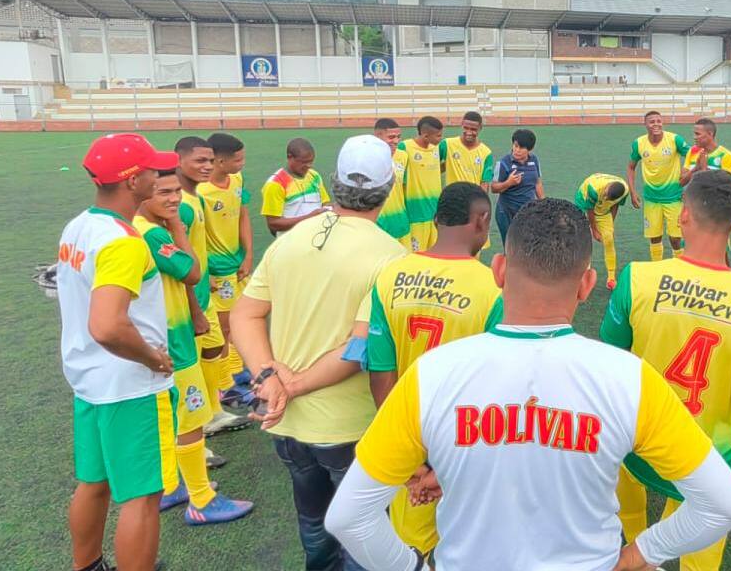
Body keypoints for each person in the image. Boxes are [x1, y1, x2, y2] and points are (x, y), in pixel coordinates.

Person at [325, 198, 731, 571]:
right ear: (586, 285)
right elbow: (723, 505)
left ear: (499, 270)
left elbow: (348, 517)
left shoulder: (430, 374)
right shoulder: (630, 379)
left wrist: (412, 567)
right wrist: (641, 554)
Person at [231, 134, 407, 571]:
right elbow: (360, 346)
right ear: (388, 190)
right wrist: (290, 386)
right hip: (348, 426)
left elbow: (245, 314)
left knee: (313, 526)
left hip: (287, 423)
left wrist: (269, 379)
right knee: (362, 534)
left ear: (333, 182)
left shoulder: (292, 239)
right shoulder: (391, 256)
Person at [601, 170, 731, 571]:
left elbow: (609, 363)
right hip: (709, 451)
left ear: (683, 216)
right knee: (701, 548)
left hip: (637, 442)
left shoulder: (637, 278)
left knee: (627, 523)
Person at [357, 181, 501, 556]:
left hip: (410, 444)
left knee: (411, 549)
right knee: (472, 548)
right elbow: (495, 386)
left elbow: (381, 374)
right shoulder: (493, 288)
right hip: (466, 448)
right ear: (482, 221)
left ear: (436, 220)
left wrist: (407, 453)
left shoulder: (391, 276)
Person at [57, 133, 179, 571]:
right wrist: (152, 358)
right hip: (131, 386)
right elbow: (108, 325)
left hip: (89, 379)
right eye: (151, 170)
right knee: (142, 497)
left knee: (94, 482)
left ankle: (87, 565)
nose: (159, 174)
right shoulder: (123, 241)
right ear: (132, 181)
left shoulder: (79, 225)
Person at [136, 168, 254, 525]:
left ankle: (171, 486)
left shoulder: (139, 228)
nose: (174, 199)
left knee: (171, 417)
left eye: (176, 191)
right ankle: (201, 500)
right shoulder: (154, 234)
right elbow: (191, 271)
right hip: (172, 342)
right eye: (163, 192)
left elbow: (178, 280)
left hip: (169, 334)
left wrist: (195, 312)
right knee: (190, 419)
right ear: (142, 193)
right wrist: (176, 227)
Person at [175, 137, 247, 439]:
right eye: (199, 161)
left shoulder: (195, 197)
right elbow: (179, 258)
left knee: (215, 346)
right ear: (179, 161)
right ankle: (195, 423)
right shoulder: (181, 204)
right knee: (191, 361)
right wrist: (194, 300)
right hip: (191, 299)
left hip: (206, 289)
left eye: (208, 160)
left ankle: (213, 409)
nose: (206, 166)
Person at [199, 132, 254, 405]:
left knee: (241, 319)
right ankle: (224, 386)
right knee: (223, 328)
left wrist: (248, 255)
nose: (242, 163)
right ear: (219, 161)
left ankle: (236, 372)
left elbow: (243, 216)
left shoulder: (238, 179)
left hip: (238, 263)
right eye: (238, 159)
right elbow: (195, 233)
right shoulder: (201, 192)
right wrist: (205, 271)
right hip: (217, 268)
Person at [628, 111, 691, 262]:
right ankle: (657, 266)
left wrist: (688, 173)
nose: (656, 124)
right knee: (654, 237)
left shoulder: (675, 140)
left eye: (659, 121)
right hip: (651, 199)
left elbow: (694, 155)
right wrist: (632, 192)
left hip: (674, 198)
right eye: (652, 122)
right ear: (645, 124)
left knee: (675, 238)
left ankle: (679, 266)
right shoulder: (639, 143)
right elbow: (631, 167)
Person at [261, 138, 330, 237]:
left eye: (311, 161)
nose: (309, 166)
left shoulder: (314, 176)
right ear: (290, 157)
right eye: (304, 162)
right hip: (290, 242)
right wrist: (309, 217)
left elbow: (325, 203)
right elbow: (273, 224)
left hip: (316, 239)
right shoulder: (275, 183)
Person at [574, 172, 630, 290]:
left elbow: (615, 206)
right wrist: (594, 230)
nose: (605, 197)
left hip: (603, 210)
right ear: (607, 187)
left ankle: (611, 278)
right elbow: (590, 211)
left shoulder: (624, 191)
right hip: (583, 205)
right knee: (584, 239)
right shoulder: (593, 188)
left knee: (609, 239)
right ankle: (583, 276)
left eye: (607, 198)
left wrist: (610, 225)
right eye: (605, 194)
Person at [490, 128, 544, 243]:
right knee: (510, 245)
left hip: (528, 211)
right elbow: (494, 188)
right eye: (515, 146)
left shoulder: (534, 161)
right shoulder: (503, 163)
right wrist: (509, 183)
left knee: (528, 244)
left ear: (529, 149)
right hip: (506, 212)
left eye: (521, 148)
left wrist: (543, 203)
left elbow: (537, 183)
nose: (517, 150)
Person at [402, 116, 445, 252]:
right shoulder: (405, 147)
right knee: (417, 255)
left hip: (435, 213)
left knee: (435, 254)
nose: (441, 139)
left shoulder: (436, 149)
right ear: (426, 136)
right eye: (438, 136)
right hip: (415, 214)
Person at [373, 118, 412, 251]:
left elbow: (403, 188)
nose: (396, 141)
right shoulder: (368, 159)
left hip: (401, 223)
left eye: (398, 137)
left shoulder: (403, 156)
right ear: (377, 137)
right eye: (391, 137)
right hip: (379, 224)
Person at [439, 111, 494, 191]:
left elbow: (484, 183)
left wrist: (482, 199)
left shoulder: (486, 153)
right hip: (452, 197)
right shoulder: (447, 144)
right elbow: (433, 166)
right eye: (466, 128)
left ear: (480, 128)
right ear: (462, 125)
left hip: (473, 198)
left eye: (473, 129)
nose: (469, 132)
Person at [681, 117, 731, 184]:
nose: (694, 137)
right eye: (694, 134)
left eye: (698, 134)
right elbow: (682, 182)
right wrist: (696, 168)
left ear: (710, 134)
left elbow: (729, 184)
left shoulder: (725, 155)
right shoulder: (692, 151)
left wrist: (704, 169)